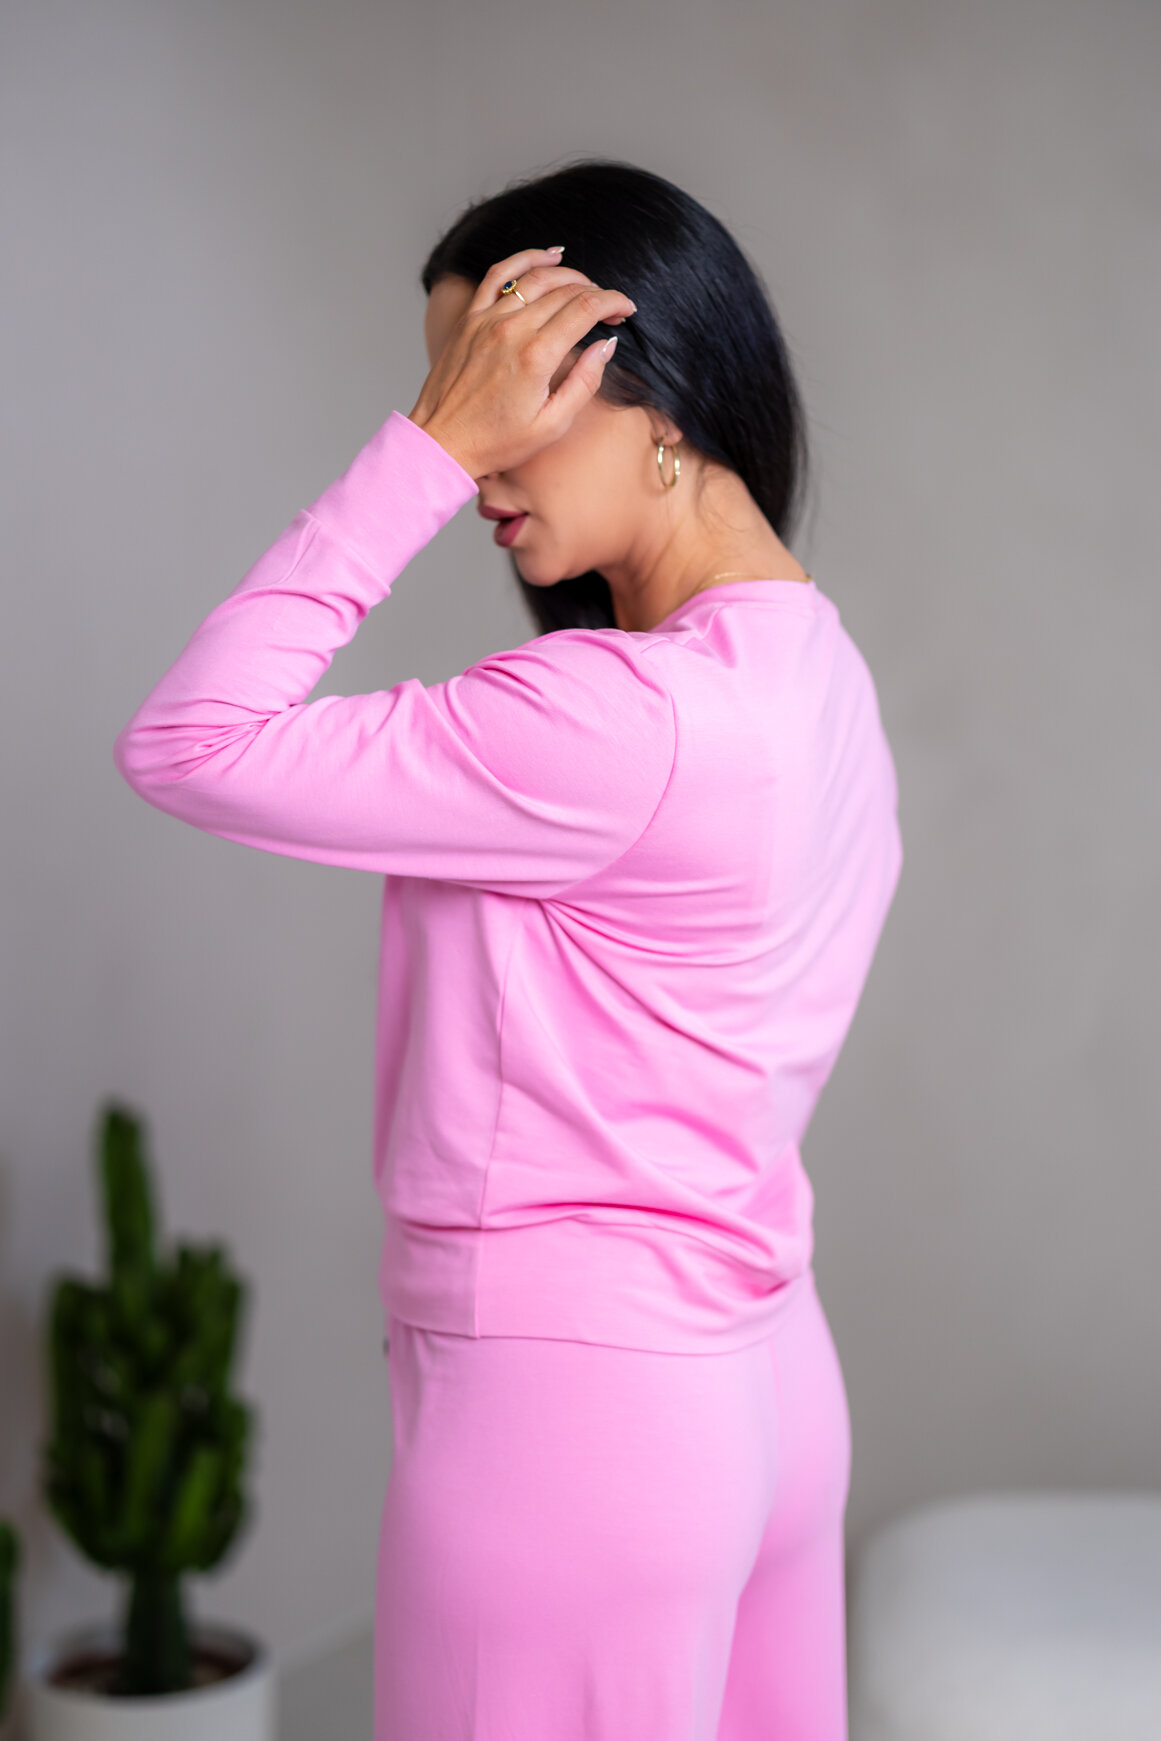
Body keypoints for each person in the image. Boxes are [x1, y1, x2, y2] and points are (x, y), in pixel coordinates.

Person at [115, 159, 902, 1741]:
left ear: (648, 385)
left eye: (493, 389)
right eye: (449, 399)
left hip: (576, 1431)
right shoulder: (820, 676)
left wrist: (410, 458)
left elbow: (187, 740)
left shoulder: (613, 721)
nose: (470, 451)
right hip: (762, 1390)